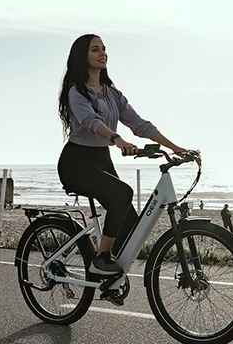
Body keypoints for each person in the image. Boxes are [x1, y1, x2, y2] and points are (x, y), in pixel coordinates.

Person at [57, 34, 187, 275]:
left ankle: (108, 276)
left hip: (100, 159)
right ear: (82, 57)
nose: (102, 53)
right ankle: (101, 258)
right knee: (123, 193)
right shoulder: (77, 92)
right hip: (76, 162)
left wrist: (175, 147)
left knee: (131, 226)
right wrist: (117, 140)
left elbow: (139, 124)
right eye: (95, 49)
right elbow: (90, 121)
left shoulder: (113, 94)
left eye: (104, 49)